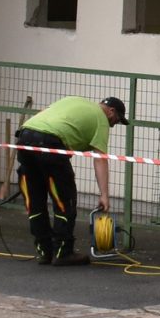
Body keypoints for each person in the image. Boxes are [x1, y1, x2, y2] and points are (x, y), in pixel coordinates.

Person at [16, 94, 125, 266]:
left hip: (25, 136)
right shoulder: (101, 119)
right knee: (64, 201)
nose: (113, 125)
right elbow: (100, 159)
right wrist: (104, 195)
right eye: (117, 120)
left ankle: (44, 251)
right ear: (111, 111)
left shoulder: (73, 101)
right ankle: (63, 253)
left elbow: (47, 115)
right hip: (50, 143)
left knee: (34, 201)